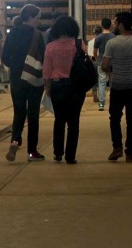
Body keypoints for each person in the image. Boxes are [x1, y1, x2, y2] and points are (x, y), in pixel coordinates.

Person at [101, 12, 132, 163]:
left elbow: (104, 65)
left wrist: (111, 73)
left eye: (116, 22)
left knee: (114, 118)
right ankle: (130, 152)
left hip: (117, 87)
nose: (114, 25)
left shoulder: (112, 43)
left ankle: (117, 147)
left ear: (121, 24)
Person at [2, 4, 46, 161]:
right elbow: (44, 56)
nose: (39, 21)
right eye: (38, 18)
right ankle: (32, 152)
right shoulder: (37, 35)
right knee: (33, 114)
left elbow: (5, 57)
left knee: (19, 112)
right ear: (31, 18)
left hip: (16, 78)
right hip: (34, 79)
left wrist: (16, 67)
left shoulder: (12, 33)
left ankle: (14, 141)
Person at [43, 16, 87, 164]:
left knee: (59, 120)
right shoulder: (80, 45)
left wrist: (48, 87)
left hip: (57, 86)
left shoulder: (50, 47)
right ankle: (70, 156)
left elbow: (47, 71)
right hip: (76, 87)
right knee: (74, 122)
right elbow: (85, 65)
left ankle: (57, 153)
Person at [93, 18, 115, 111]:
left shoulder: (98, 37)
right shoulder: (114, 36)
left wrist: (98, 60)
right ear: (110, 26)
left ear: (102, 25)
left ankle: (101, 104)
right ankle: (114, 102)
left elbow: (95, 52)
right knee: (113, 83)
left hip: (101, 62)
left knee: (102, 83)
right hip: (113, 62)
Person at [88, 26, 103, 103]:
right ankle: (100, 95)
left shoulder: (90, 42)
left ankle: (94, 94)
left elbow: (89, 54)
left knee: (94, 80)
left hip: (92, 61)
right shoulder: (102, 41)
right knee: (101, 79)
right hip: (99, 61)